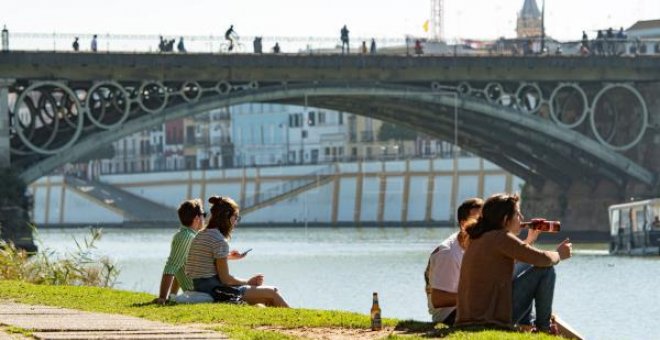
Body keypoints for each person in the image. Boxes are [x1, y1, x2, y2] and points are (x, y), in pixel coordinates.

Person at [455, 193, 572, 333]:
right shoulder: (501, 237)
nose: (522, 218)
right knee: (545, 270)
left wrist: (530, 240)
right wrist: (559, 254)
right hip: (488, 319)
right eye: (517, 214)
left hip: (469, 318)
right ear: (505, 219)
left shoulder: (480, 237)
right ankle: (544, 329)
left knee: (531, 265)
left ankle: (528, 324)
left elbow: (520, 258)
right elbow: (543, 259)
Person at [186, 196, 289, 307]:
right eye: (236, 217)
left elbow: (206, 260)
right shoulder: (219, 241)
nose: (236, 222)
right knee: (272, 293)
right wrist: (248, 282)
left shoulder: (201, 235)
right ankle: (295, 319)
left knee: (268, 297)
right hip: (215, 290)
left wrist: (229, 256)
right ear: (226, 217)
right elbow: (226, 280)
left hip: (201, 287)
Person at [424, 198, 484, 325]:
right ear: (463, 224)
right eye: (479, 220)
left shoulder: (476, 244)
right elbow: (438, 299)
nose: (484, 226)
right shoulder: (448, 253)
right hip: (450, 315)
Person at [153, 199, 206, 305]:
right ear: (196, 218)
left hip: (203, 290)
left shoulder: (189, 236)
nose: (205, 218)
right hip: (200, 293)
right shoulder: (185, 237)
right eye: (203, 214)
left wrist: (172, 296)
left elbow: (179, 268)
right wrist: (162, 298)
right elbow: (171, 268)